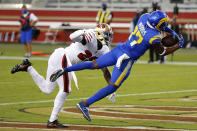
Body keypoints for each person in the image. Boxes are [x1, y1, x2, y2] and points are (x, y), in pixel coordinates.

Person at [50, 11, 184, 121]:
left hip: (119, 50)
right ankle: (85, 104)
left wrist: (172, 32)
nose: (165, 24)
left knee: (94, 64)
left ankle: (64, 69)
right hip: (126, 60)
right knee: (112, 86)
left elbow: (160, 26)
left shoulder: (144, 18)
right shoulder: (153, 36)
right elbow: (162, 52)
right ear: (157, 24)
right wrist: (178, 45)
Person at [11, 23, 113, 127]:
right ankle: (52, 121)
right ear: (100, 34)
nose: (109, 37)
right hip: (62, 57)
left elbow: (105, 70)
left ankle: (28, 67)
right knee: (65, 90)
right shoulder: (90, 37)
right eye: (107, 34)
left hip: (60, 59)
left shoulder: (104, 50)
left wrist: (111, 88)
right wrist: (84, 31)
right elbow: (72, 36)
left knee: (47, 89)